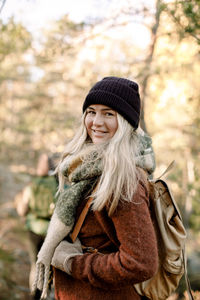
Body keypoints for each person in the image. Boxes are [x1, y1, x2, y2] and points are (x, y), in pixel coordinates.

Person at [33, 76, 158, 300]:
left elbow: (140, 263)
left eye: (108, 114)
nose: (96, 122)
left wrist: (73, 263)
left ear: (125, 122)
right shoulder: (86, 170)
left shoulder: (123, 180)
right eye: (91, 111)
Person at [15, 153, 57, 300]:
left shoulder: (31, 185)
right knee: (48, 264)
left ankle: (34, 294)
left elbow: (22, 210)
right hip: (52, 231)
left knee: (35, 263)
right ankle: (46, 294)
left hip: (33, 228)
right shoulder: (58, 184)